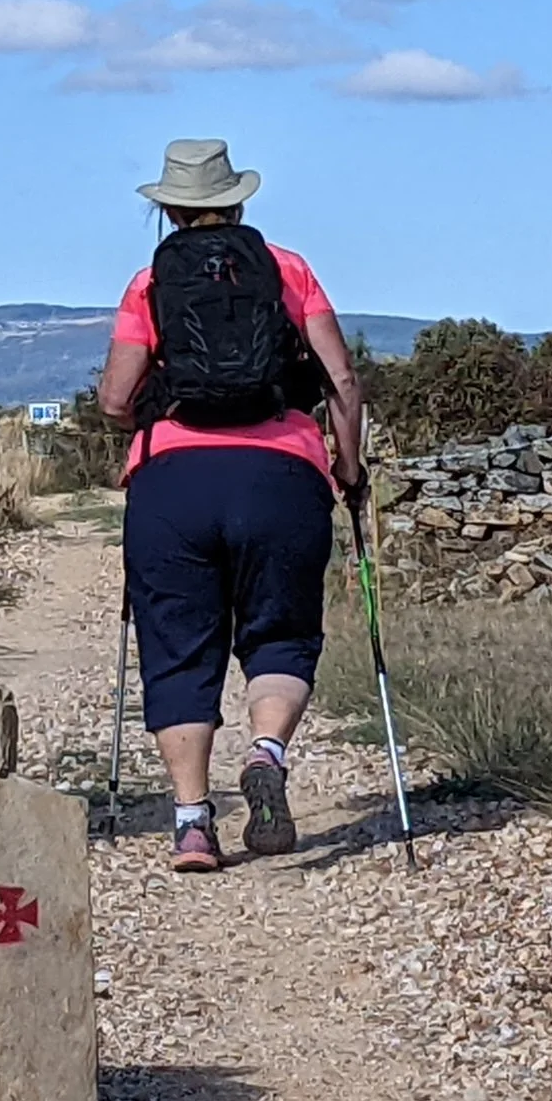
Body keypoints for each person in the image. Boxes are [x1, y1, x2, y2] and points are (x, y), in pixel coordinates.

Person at [95, 139, 365, 873]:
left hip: (173, 480)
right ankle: (267, 752)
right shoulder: (287, 269)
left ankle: (190, 824)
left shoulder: (149, 283)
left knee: (180, 643)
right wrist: (348, 464)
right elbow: (341, 377)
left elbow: (116, 398)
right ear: (238, 200)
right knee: (280, 631)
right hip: (282, 474)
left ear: (170, 208)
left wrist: (153, 419)